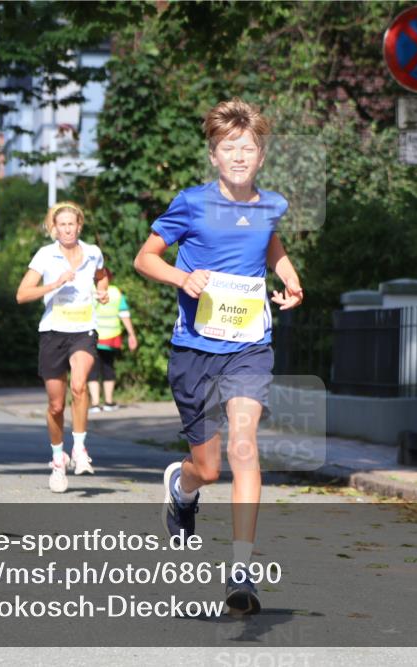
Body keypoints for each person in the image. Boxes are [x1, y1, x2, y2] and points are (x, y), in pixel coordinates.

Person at [133, 98, 303, 614]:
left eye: (248, 147)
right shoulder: (191, 203)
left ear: (261, 156)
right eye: (229, 147)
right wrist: (182, 277)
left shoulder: (270, 205)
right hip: (194, 350)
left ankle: (241, 569)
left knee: (244, 447)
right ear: (213, 155)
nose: (239, 156)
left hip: (249, 347)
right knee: (207, 468)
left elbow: (269, 245)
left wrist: (289, 278)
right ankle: (182, 488)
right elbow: (145, 258)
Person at [16, 202, 109, 492]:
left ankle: (79, 448)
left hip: (84, 330)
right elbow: (22, 294)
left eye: (72, 224)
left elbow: (102, 275)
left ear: (79, 226)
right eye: (62, 225)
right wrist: (54, 284)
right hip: (53, 332)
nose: (67, 229)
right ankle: (59, 458)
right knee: (56, 405)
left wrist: (103, 291)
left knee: (79, 386)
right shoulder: (45, 255)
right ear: (54, 228)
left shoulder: (92, 252)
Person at [89, 269, 138, 413]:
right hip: (111, 337)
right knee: (108, 367)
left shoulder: (90, 291)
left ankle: (95, 404)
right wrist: (131, 334)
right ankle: (109, 402)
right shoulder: (116, 292)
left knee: (92, 369)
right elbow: (124, 314)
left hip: (91, 336)